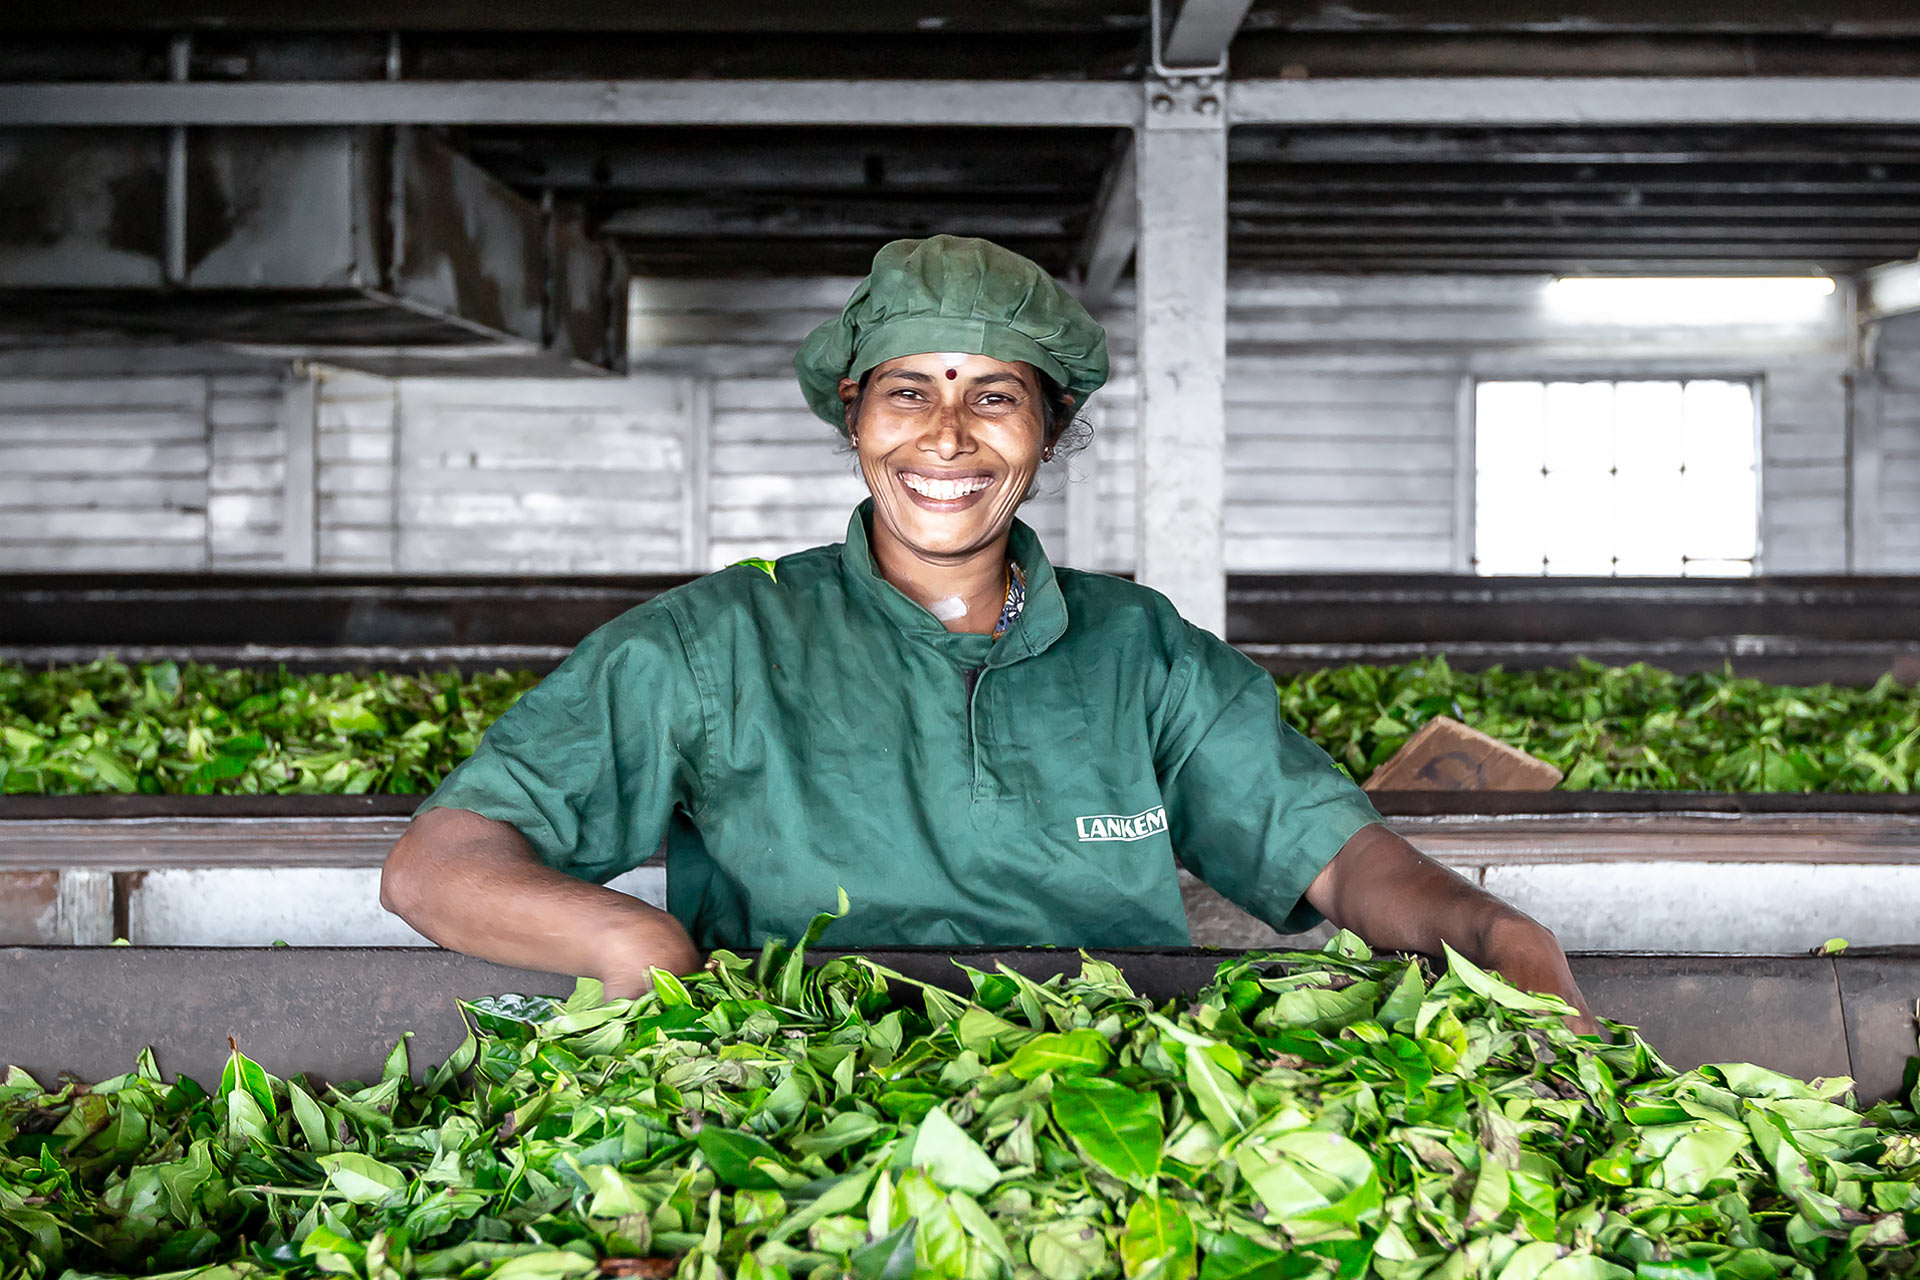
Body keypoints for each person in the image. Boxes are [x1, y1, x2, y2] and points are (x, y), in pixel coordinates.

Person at [380, 235, 1595, 1031]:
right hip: (805, 1103)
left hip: (1112, 1111)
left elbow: (1336, 857)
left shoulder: (1141, 651)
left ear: (1046, 434)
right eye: (911, 389)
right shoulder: (716, 642)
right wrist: (635, 939)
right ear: (856, 418)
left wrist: (1494, 931)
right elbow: (435, 864)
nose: (947, 434)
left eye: (994, 395)